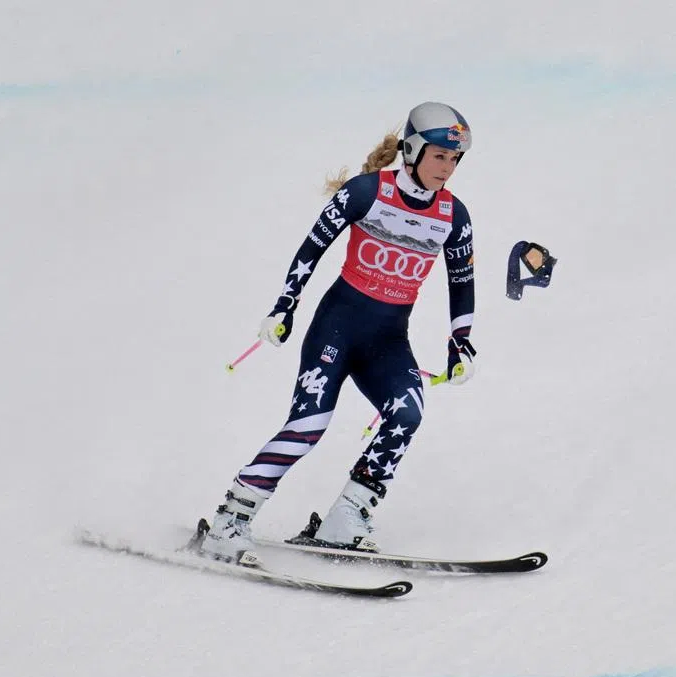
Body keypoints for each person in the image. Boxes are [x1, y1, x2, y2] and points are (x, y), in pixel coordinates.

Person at [191, 102, 478, 565]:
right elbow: (311, 249)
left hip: (387, 342)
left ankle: (347, 517)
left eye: (454, 159)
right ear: (412, 149)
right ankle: (231, 518)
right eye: (439, 156)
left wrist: (459, 343)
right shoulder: (366, 192)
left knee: (407, 414)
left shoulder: (453, 216)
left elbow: (461, 283)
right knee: (308, 427)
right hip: (337, 330)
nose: (447, 168)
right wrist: (283, 307)